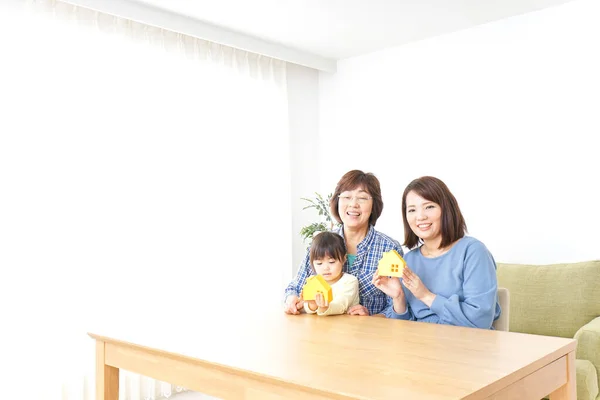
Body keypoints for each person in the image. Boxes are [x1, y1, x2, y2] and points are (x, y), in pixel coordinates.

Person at [374, 176, 501, 329]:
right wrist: (398, 297)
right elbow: (402, 328)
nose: (420, 216)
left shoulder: (473, 252)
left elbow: (480, 322)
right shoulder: (409, 260)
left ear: (446, 208)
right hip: (418, 345)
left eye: (429, 207)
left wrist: (426, 296)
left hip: (465, 346)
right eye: (412, 210)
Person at [284, 170, 403, 316]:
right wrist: (292, 299)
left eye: (362, 198)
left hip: (369, 335)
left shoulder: (389, 249)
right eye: (346, 197)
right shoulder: (320, 243)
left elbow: (397, 307)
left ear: (374, 205)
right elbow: (295, 287)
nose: (353, 204)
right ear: (337, 202)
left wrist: (372, 317)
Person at [301, 232, 360, 316]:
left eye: (331, 262)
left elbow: (341, 306)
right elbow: (308, 308)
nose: (326, 268)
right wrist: (312, 305)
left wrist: (324, 307)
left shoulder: (350, 281)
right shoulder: (313, 281)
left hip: (345, 326)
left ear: (343, 259)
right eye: (319, 263)